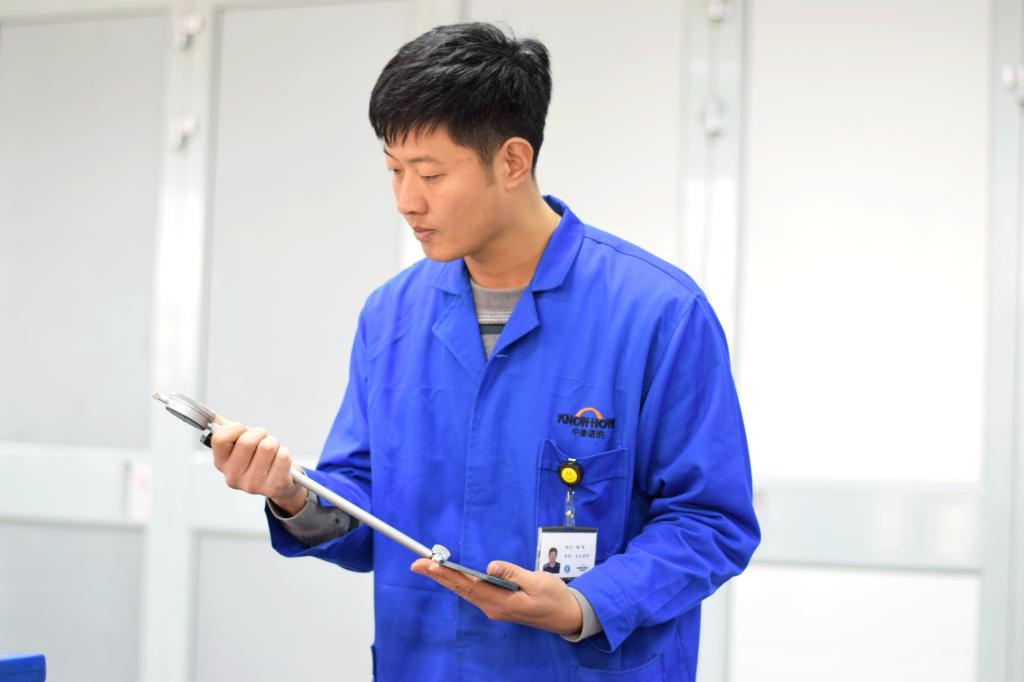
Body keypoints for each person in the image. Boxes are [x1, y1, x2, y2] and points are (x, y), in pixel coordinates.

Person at [210, 22, 759, 681]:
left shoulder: (658, 313)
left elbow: (710, 521)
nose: (405, 201)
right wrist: (292, 496)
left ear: (512, 161)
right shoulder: (391, 316)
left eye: (430, 174)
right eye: (393, 171)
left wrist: (586, 604)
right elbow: (364, 505)